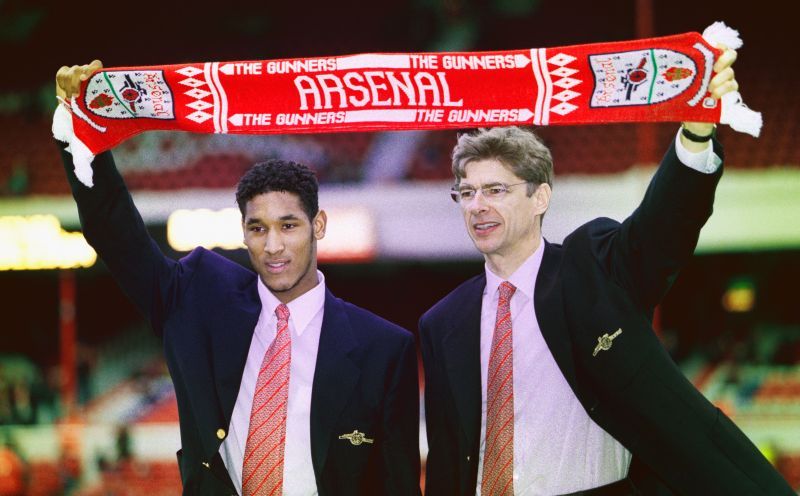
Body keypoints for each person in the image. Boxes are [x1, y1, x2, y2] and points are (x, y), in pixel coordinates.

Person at [419, 48, 794, 495]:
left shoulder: (593, 269)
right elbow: (446, 460)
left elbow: (663, 227)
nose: (478, 205)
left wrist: (695, 132)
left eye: (495, 189)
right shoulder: (441, 323)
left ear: (540, 198)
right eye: (467, 192)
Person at [55, 61, 421, 496]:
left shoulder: (384, 348)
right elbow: (116, 234)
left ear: (318, 225)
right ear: (243, 231)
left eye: (289, 226)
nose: (273, 246)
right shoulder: (198, 299)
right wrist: (77, 124)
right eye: (258, 228)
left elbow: (398, 485)